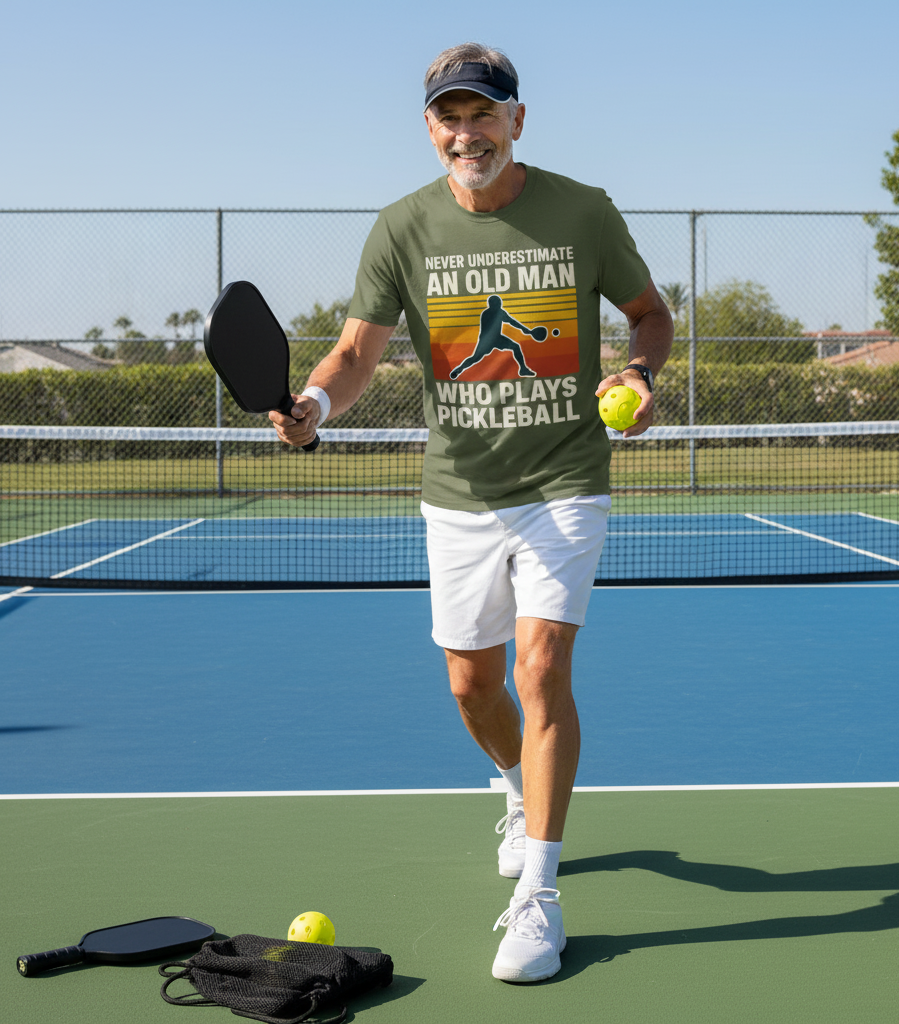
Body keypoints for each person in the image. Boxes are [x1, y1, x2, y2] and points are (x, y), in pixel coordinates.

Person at [270, 42, 672, 983]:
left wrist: (640, 373)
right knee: (469, 685)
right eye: (449, 117)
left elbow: (651, 312)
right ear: (430, 130)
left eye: (483, 114)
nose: (467, 132)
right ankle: (514, 791)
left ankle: (539, 896)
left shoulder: (582, 211)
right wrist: (317, 406)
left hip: (566, 481)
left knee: (541, 669)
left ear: (517, 121)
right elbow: (356, 354)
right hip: (457, 491)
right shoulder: (401, 228)